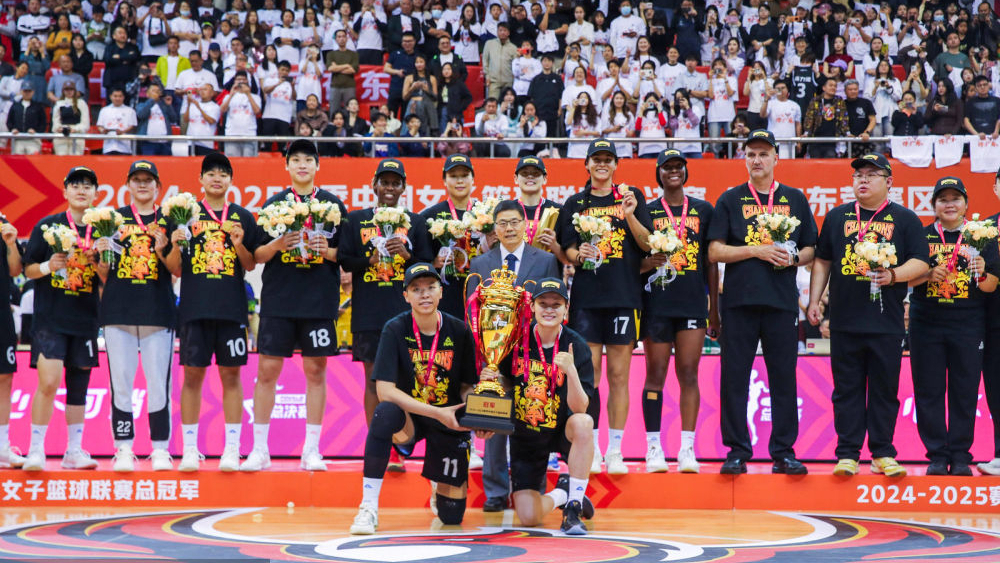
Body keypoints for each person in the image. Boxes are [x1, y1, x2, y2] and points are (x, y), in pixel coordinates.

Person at [808, 154, 930, 477]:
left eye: (871, 175)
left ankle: (882, 453)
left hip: (886, 322)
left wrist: (893, 275)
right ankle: (847, 454)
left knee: (884, 390)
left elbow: (922, 262)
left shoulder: (905, 219)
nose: (862, 180)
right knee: (846, 390)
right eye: (858, 175)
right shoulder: (837, 216)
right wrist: (814, 300)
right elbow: (822, 260)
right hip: (844, 320)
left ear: (889, 182)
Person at [707, 129, 817, 475]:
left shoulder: (795, 198)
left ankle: (784, 452)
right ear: (745, 158)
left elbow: (811, 248)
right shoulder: (730, 199)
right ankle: (737, 450)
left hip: (781, 303)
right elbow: (714, 251)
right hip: (738, 302)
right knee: (734, 378)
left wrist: (792, 258)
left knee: (783, 378)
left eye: (764, 154)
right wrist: (756, 250)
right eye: (751, 154)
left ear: (776, 158)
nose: (757, 160)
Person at [241, 140, 349, 473]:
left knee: (316, 372)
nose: (302, 165)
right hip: (279, 300)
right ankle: (260, 449)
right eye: (296, 159)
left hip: (318, 301)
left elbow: (346, 256)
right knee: (266, 372)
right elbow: (256, 256)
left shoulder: (332, 205)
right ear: (286, 165)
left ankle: (311, 450)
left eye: (308, 160)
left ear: (317, 165)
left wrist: (326, 250)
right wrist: (276, 244)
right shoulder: (274, 204)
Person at [349, 263, 479, 535]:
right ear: (406, 296)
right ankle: (368, 506)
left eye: (430, 287)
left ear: (441, 292)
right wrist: (435, 412)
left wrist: (478, 415)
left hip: (447, 421)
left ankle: (438, 482)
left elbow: (467, 386)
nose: (425, 294)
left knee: (451, 517)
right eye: (416, 289)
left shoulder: (460, 330)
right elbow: (385, 391)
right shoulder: (395, 329)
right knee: (384, 413)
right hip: (410, 418)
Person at [557, 139, 652, 474]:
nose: (601, 164)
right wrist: (577, 254)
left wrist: (630, 214)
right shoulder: (575, 203)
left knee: (619, 375)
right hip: (587, 299)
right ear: (586, 164)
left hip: (624, 297)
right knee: (591, 375)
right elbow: (567, 251)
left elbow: (647, 244)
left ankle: (615, 450)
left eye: (607, 159)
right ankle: (592, 447)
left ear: (615, 165)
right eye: (596, 159)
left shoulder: (631, 196)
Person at [164, 152, 258, 472]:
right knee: (192, 377)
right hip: (194, 308)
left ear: (231, 180)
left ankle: (232, 449)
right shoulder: (184, 214)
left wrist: (239, 243)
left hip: (231, 309)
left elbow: (250, 265)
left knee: (231, 376)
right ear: (201, 179)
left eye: (223, 174)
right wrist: (176, 243)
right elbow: (175, 269)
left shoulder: (243, 216)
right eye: (211, 173)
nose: (217, 178)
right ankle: (190, 450)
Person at [468, 197, 561, 511]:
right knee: (492, 418)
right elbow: (472, 313)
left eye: (514, 222)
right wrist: (483, 358)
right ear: (494, 228)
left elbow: (552, 304)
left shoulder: (545, 260)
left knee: (531, 420)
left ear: (525, 225)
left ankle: (530, 485)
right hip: (493, 357)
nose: (509, 228)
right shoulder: (480, 263)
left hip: (532, 354)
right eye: (503, 223)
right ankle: (495, 490)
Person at [483, 277, 595, 534]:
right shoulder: (513, 340)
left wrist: (571, 371)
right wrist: (492, 379)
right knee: (528, 517)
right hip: (527, 433)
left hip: (561, 427)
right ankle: (564, 493)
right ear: (532, 307)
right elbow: (505, 381)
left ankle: (574, 507)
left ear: (566, 309)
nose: (549, 310)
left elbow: (581, 407)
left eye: (556, 304)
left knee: (583, 423)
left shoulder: (576, 345)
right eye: (543, 303)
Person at [908, 177, 998, 476]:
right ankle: (936, 454)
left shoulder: (981, 236)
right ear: (933, 205)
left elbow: (991, 286)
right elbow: (905, 278)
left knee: (965, 390)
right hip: (926, 322)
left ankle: (960, 455)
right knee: (928, 390)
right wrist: (926, 275)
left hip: (968, 322)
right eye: (943, 199)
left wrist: (982, 273)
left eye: (955, 199)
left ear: (966, 204)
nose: (949, 204)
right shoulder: (920, 236)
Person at [641, 149, 718, 474]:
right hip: (656, 304)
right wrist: (649, 262)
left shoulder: (703, 209)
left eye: (678, 166)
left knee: (688, 373)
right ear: (658, 173)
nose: (673, 171)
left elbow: (710, 262)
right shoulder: (647, 211)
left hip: (691, 303)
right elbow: (637, 263)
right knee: (655, 375)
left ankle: (687, 448)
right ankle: (653, 447)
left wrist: (714, 310)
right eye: (667, 167)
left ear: (686, 172)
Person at [339, 159, 432, 428]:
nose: (389, 188)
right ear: (374, 185)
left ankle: (402, 442)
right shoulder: (355, 219)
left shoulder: (416, 222)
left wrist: (408, 256)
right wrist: (369, 260)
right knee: (372, 380)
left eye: (395, 183)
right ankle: (376, 442)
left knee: (404, 380)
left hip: (406, 314)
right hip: (368, 314)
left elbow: (428, 266)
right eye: (384, 182)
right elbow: (345, 260)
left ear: (403, 187)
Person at [22, 167, 103, 471]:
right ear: (65, 191)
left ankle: (74, 451)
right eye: (75, 185)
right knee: (48, 382)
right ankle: (36, 450)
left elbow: (109, 279)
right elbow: (27, 269)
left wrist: (99, 262)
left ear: (96, 193)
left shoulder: (104, 230)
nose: (81, 190)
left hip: (85, 318)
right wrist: (48, 265)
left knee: (79, 386)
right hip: (51, 319)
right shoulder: (48, 226)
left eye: (87, 185)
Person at [101, 161, 177, 472]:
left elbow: (178, 269)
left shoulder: (171, 220)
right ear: (128, 185)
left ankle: (160, 448)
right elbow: (103, 272)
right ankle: (123, 447)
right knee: (120, 382)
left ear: (158, 186)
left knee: (158, 383)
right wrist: (100, 252)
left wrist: (163, 249)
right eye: (137, 179)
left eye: (148, 180)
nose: (143, 184)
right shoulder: (112, 220)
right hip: (117, 310)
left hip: (157, 310)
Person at [420, 155, 480, 320]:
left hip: (480, 293)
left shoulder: (485, 214)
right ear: (444, 181)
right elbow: (420, 260)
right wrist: (434, 263)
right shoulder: (430, 216)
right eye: (453, 176)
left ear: (473, 179)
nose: (459, 181)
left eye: (464, 175)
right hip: (445, 297)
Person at [0, 206, 23, 468]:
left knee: (4, 377)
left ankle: (1, 447)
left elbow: (16, 270)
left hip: (1, 311)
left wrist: (11, 244)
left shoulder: (3, 223)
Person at [803, 77, 848, 158]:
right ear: (824, 88)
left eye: (835, 86)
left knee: (830, 158)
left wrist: (847, 132)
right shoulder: (815, 100)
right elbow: (809, 118)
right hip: (816, 139)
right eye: (831, 85)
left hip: (833, 140)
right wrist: (806, 132)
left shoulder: (839, 100)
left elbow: (844, 118)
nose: (833, 87)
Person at [220, 71, 262, 157]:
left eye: (243, 79)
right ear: (234, 81)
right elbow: (222, 110)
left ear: (247, 81)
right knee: (232, 163)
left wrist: (248, 94)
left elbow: (257, 111)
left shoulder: (255, 97)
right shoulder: (228, 97)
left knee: (249, 163)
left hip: (249, 135)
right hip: (232, 135)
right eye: (238, 79)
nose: (241, 82)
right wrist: (231, 94)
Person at [760, 80, 801, 159]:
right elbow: (762, 115)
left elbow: (798, 124)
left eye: (783, 88)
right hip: (774, 142)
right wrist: (766, 99)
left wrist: (798, 141)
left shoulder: (795, 105)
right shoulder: (770, 103)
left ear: (787, 89)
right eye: (778, 88)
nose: (781, 90)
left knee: (789, 165)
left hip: (790, 142)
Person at [136, 83, 179, 156]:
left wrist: (169, 106)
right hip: (148, 143)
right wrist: (151, 101)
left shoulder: (164, 105)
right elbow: (141, 115)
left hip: (164, 143)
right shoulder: (141, 104)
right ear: (147, 94)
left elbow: (173, 119)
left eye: (158, 91)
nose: (156, 93)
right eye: (153, 91)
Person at [96, 87, 138, 156]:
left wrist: (123, 131)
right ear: (110, 97)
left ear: (123, 97)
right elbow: (99, 125)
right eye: (115, 96)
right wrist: (103, 131)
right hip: (108, 147)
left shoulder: (130, 111)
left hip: (125, 148)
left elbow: (132, 126)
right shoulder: (104, 110)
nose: (118, 98)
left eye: (120, 96)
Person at [7, 83, 46, 156]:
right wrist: (12, 129)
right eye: (25, 91)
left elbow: (43, 123)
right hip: (18, 138)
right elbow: (9, 121)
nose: (27, 93)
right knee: (17, 159)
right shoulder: (15, 106)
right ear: (21, 91)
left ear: (33, 92)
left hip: (33, 139)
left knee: (34, 159)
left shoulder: (38, 106)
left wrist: (36, 131)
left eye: (29, 91)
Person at [325, 29, 358, 114]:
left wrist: (337, 67)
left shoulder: (353, 54)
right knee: (333, 111)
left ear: (347, 38)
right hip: (335, 86)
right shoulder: (331, 54)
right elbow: (330, 69)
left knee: (350, 112)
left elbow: (353, 70)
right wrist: (346, 65)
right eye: (339, 37)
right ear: (336, 39)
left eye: (343, 36)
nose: (341, 39)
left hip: (349, 86)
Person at [182, 83, 220, 156]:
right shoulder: (193, 104)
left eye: (205, 89)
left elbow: (211, 121)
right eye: (201, 90)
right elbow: (185, 119)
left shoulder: (214, 107)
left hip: (206, 143)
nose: (202, 91)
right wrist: (188, 105)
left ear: (212, 93)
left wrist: (199, 107)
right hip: (192, 142)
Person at [482, 23, 518, 100]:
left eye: (505, 30)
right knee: (492, 102)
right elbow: (485, 61)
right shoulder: (489, 44)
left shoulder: (513, 48)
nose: (502, 32)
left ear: (508, 33)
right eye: (500, 30)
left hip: (508, 81)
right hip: (493, 81)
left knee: (507, 103)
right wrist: (487, 76)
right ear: (497, 32)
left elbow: (516, 66)